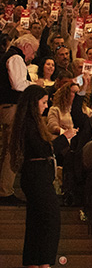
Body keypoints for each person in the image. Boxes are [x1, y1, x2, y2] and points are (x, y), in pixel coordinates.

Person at [7, 85, 58, 267]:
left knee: (36, 222)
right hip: (37, 175)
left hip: (36, 175)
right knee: (49, 221)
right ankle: (44, 262)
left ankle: (34, 262)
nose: (46, 106)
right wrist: (64, 139)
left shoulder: (28, 122)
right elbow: (41, 147)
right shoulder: (29, 123)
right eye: (43, 102)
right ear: (33, 103)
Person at [0, 33, 38, 204]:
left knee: (7, 149)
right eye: (33, 51)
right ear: (26, 46)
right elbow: (18, 84)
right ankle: (5, 191)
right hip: (12, 109)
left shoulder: (11, 56)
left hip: (8, 108)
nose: (33, 56)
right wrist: (36, 85)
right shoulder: (16, 57)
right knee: (12, 150)